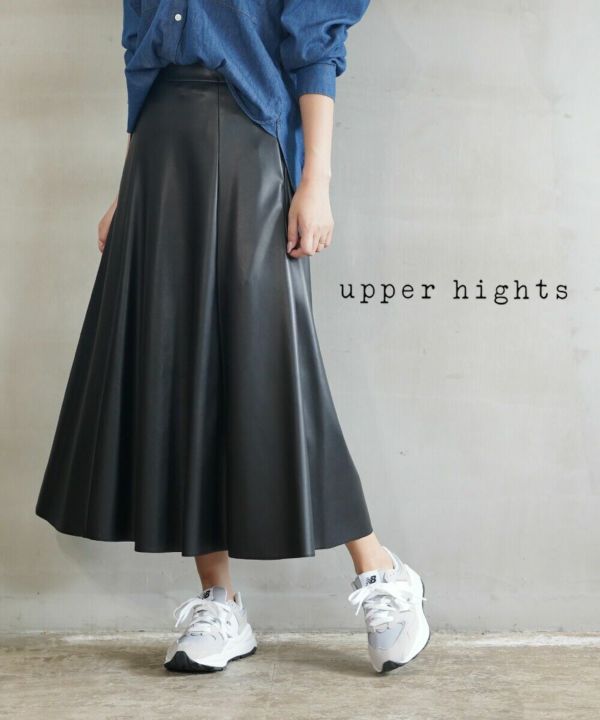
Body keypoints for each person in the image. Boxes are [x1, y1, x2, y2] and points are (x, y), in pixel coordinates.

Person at [34, 0, 430, 674]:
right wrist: (128, 187)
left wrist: (316, 180)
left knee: (273, 370)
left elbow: (314, 43)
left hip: (254, 136)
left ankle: (381, 569)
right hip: (160, 149)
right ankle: (220, 599)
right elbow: (142, 56)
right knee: (173, 367)